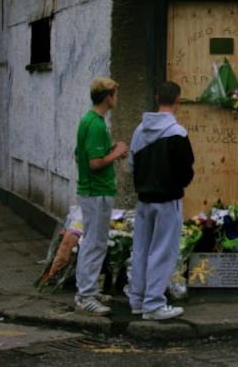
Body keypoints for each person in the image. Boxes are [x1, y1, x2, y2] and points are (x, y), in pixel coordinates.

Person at [128, 81, 195, 321]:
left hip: (144, 198)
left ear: (157, 97)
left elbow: (132, 163)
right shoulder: (177, 133)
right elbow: (186, 171)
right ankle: (154, 304)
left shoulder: (139, 130)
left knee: (141, 249)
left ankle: (137, 299)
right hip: (168, 199)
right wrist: (180, 184)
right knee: (163, 251)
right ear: (178, 100)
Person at [74, 76, 129, 316]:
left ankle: (88, 290)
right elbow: (94, 162)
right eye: (115, 94)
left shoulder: (88, 120)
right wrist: (115, 153)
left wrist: (109, 150)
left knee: (92, 242)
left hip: (91, 190)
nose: (116, 98)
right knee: (95, 243)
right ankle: (85, 295)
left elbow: (79, 155)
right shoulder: (96, 124)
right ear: (108, 97)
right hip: (98, 192)